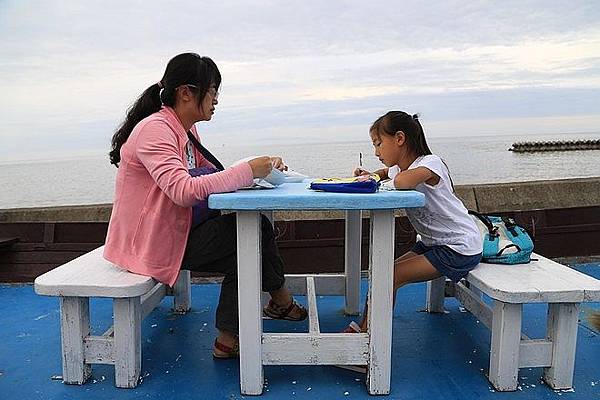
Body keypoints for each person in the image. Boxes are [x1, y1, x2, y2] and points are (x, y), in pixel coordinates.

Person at [104, 53, 307, 359]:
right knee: (249, 237)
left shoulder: (184, 130)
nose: (215, 100)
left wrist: (262, 169)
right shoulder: (155, 131)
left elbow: (210, 174)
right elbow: (183, 191)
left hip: (177, 230)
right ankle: (276, 305)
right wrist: (248, 170)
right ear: (187, 93)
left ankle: (245, 327)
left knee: (251, 233)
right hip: (152, 243)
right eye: (212, 92)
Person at [348, 111, 483, 333]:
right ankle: (365, 333)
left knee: (390, 275)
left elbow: (401, 182)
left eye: (379, 144)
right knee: (383, 271)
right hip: (433, 243)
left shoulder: (431, 163)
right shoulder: (397, 169)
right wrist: (371, 175)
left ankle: (366, 340)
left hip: (458, 247)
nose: (376, 152)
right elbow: (385, 172)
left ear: (399, 139)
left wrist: (387, 176)